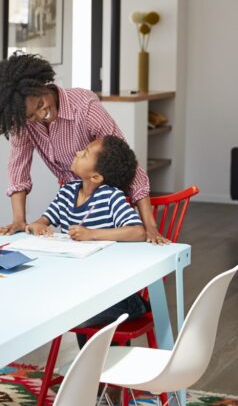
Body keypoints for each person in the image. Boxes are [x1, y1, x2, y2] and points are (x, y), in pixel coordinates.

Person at [0, 53, 166, 243]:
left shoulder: (84, 106)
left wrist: (150, 226)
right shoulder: (24, 124)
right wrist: (20, 220)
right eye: (31, 115)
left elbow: (124, 159)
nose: (41, 114)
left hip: (105, 205)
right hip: (74, 201)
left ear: (41, 84)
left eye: (40, 104)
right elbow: (18, 168)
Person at [27, 135, 150, 327]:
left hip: (114, 291)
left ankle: (135, 305)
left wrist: (91, 233)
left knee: (72, 315)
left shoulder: (110, 196)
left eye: (84, 154)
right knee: (60, 308)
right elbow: (42, 221)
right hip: (81, 287)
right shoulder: (67, 192)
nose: (77, 152)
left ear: (95, 177)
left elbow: (138, 232)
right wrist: (38, 225)